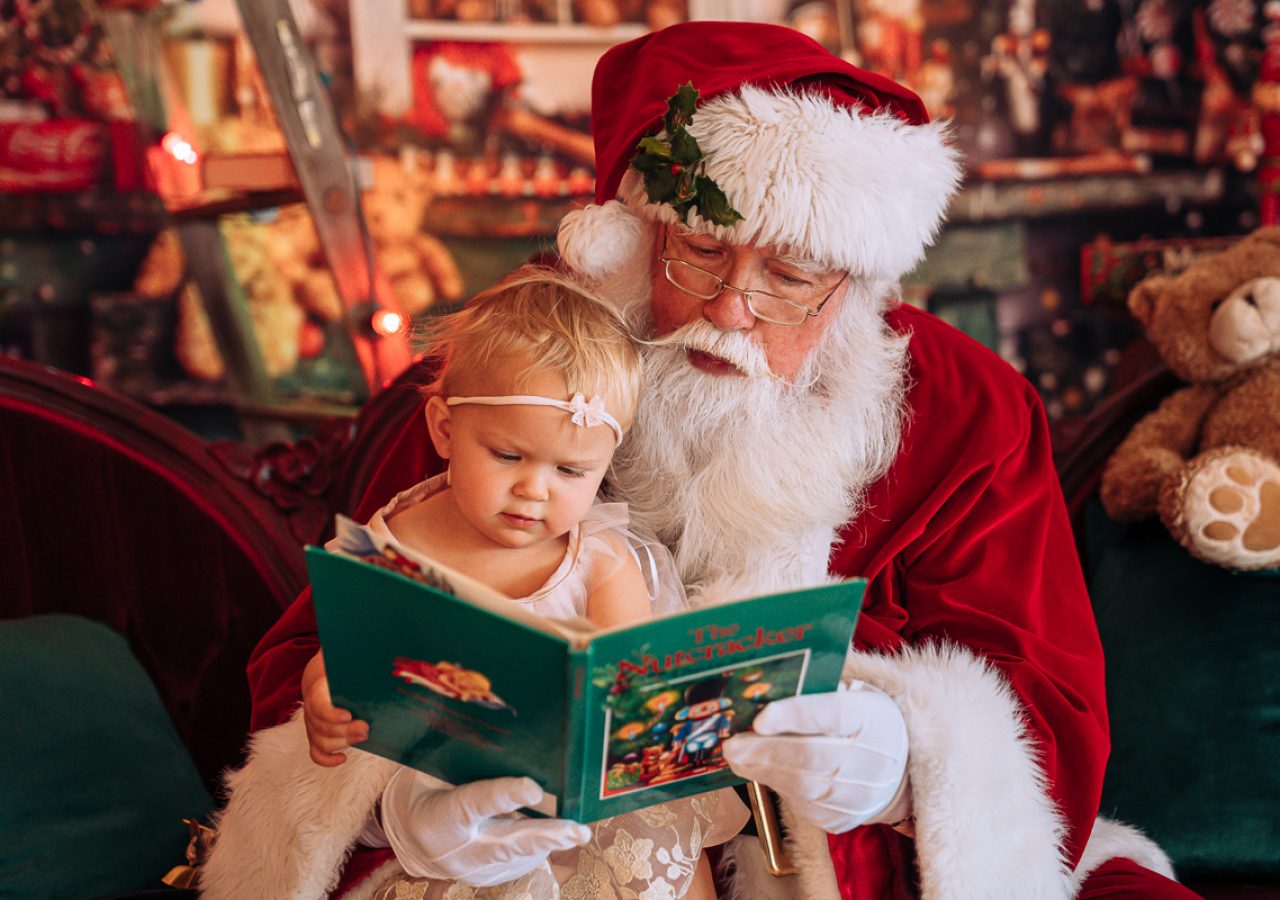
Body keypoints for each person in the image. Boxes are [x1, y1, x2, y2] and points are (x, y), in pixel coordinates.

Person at [203, 21, 1198, 900]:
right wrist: (410, 800)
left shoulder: (964, 408)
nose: (731, 309)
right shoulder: (529, 358)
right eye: (700, 255)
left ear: (850, 288)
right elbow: (320, 657)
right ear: (636, 238)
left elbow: (1045, 701)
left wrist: (900, 760)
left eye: (790, 277)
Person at [205, 269, 746, 899]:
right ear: (443, 430)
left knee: (662, 861)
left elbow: (632, 680)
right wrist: (325, 699)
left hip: (578, 808)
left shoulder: (599, 557)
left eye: (572, 470)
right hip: (444, 803)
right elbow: (343, 660)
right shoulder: (395, 549)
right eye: (508, 456)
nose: (534, 490)